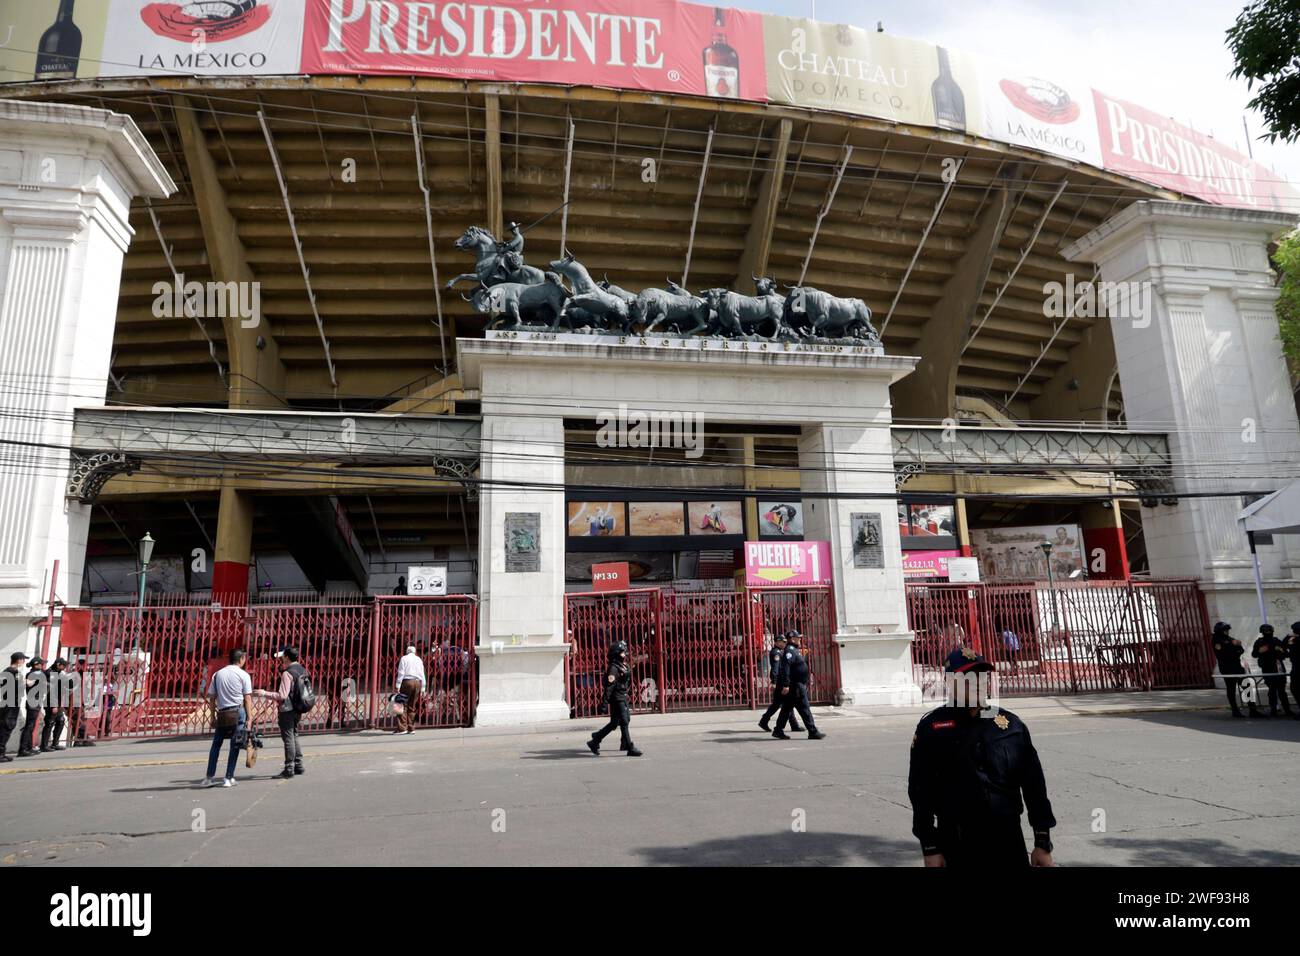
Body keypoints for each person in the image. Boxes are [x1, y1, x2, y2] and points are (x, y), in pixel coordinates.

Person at [908, 647, 1056, 868]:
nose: (978, 683)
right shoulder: (933, 728)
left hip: (1007, 839)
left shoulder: (1009, 725)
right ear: (950, 683)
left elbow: (1034, 785)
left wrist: (1042, 841)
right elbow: (920, 790)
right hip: (957, 841)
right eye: (968, 678)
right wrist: (930, 846)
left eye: (982, 676)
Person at [201, 648, 254, 788]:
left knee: (216, 745)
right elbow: (247, 698)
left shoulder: (218, 674)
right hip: (238, 713)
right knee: (234, 745)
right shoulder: (243, 675)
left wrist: (212, 716)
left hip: (222, 713)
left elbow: (212, 698)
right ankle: (228, 777)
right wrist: (250, 718)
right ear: (241, 659)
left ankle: (209, 777)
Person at [253, 646, 307, 780]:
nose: (281, 658)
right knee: (294, 735)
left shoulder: (287, 673)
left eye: (283, 656)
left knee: (288, 737)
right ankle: (298, 765)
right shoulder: (302, 669)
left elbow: (282, 695)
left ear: (287, 657)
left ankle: (289, 768)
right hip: (298, 708)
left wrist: (264, 693)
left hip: (287, 710)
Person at [587, 639, 642, 757]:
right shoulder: (613, 668)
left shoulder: (621, 665)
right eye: (622, 652)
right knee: (624, 721)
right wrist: (604, 703)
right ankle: (629, 747)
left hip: (622, 696)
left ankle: (596, 739)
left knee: (614, 723)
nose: (624, 654)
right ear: (616, 654)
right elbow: (609, 687)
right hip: (617, 699)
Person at [772, 630, 826, 741]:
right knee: (804, 707)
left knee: (786, 709)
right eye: (798, 638)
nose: (800, 640)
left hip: (795, 685)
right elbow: (786, 668)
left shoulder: (793, 650)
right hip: (795, 686)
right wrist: (786, 684)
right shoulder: (790, 651)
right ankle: (813, 731)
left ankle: (778, 730)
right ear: (792, 639)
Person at [758, 632, 802, 733]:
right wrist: (774, 681)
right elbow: (776, 668)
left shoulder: (780, 651)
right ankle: (765, 721)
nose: (784, 643)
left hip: (781, 681)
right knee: (781, 704)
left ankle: (765, 721)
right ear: (777, 642)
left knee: (782, 703)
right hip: (779, 682)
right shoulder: (776, 653)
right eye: (783, 642)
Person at [1212, 622, 1257, 718]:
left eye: (1227, 630)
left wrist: (1235, 648)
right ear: (1220, 631)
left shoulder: (1230, 639)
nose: (1227, 632)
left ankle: (1253, 710)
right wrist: (1233, 648)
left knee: (1246, 686)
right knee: (1231, 689)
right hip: (1227, 668)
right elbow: (1224, 654)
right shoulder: (1217, 640)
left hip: (1237, 666)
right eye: (1225, 630)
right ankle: (1235, 710)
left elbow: (1241, 649)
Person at [1252, 624, 1294, 718]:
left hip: (1278, 668)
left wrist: (1280, 650)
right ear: (1262, 632)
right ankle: (1273, 710)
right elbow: (1254, 654)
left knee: (1282, 691)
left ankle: (1287, 710)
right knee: (1272, 691)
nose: (1268, 633)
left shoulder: (1276, 641)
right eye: (1266, 631)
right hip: (1268, 669)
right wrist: (1260, 651)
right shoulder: (1259, 642)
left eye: (1269, 631)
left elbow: (1286, 654)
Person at [0, 652, 27, 763]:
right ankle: (0, 754)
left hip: (6, 702)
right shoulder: (15, 672)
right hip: (11, 704)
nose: (24, 662)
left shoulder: (5, 671)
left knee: (4, 727)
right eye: (23, 659)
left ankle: (2, 752)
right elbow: (20, 685)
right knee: (7, 727)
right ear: (18, 660)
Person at [16, 656, 46, 757]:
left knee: (31, 726)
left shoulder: (36, 673)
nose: (42, 666)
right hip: (33, 702)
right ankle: (23, 749)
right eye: (41, 664)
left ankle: (28, 748)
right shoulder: (34, 674)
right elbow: (30, 684)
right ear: (36, 665)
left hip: (35, 702)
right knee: (29, 726)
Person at [40, 658, 70, 752]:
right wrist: (54, 705)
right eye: (63, 665)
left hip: (57, 701)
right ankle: (44, 745)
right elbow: (51, 691)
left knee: (61, 720)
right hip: (51, 702)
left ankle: (55, 743)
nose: (64, 667)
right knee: (49, 723)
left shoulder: (58, 673)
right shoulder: (50, 673)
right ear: (58, 664)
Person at [394, 645, 425, 735]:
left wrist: (398, 685)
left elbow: (401, 672)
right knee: (412, 706)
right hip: (417, 683)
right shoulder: (419, 659)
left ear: (407, 651)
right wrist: (423, 687)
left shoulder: (404, 658)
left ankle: (402, 728)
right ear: (415, 652)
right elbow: (422, 673)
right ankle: (411, 728)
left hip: (407, 682)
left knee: (401, 704)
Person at [1286, 622, 1300, 714]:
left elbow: (1285, 645)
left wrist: (1289, 637)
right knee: (1295, 689)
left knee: (1295, 689)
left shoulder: (1294, 641)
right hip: (1296, 669)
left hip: (1297, 669)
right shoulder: (1294, 640)